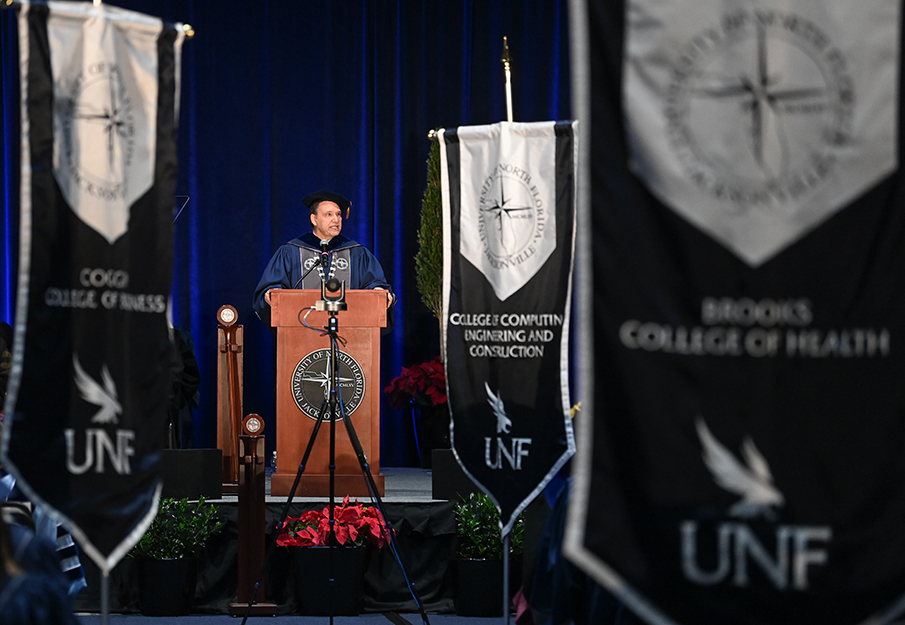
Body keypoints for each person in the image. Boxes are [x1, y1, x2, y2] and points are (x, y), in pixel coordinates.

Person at [253, 190, 396, 328]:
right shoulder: (291, 252)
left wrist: (378, 290)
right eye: (328, 214)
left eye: (338, 214)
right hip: (302, 334)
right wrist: (272, 293)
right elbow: (272, 287)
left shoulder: (356, 253)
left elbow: (373, 282)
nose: (336, 220)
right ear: (313, 219)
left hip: (351, 335)